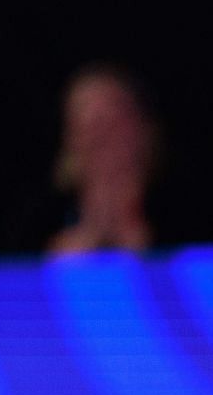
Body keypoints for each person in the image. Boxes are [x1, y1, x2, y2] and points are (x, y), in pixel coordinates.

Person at [46, 62, 165, 256]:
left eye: (115, 126)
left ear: (144, 132)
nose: (105, 147)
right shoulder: (40, 220)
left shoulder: (189, 213)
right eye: (92, 129)